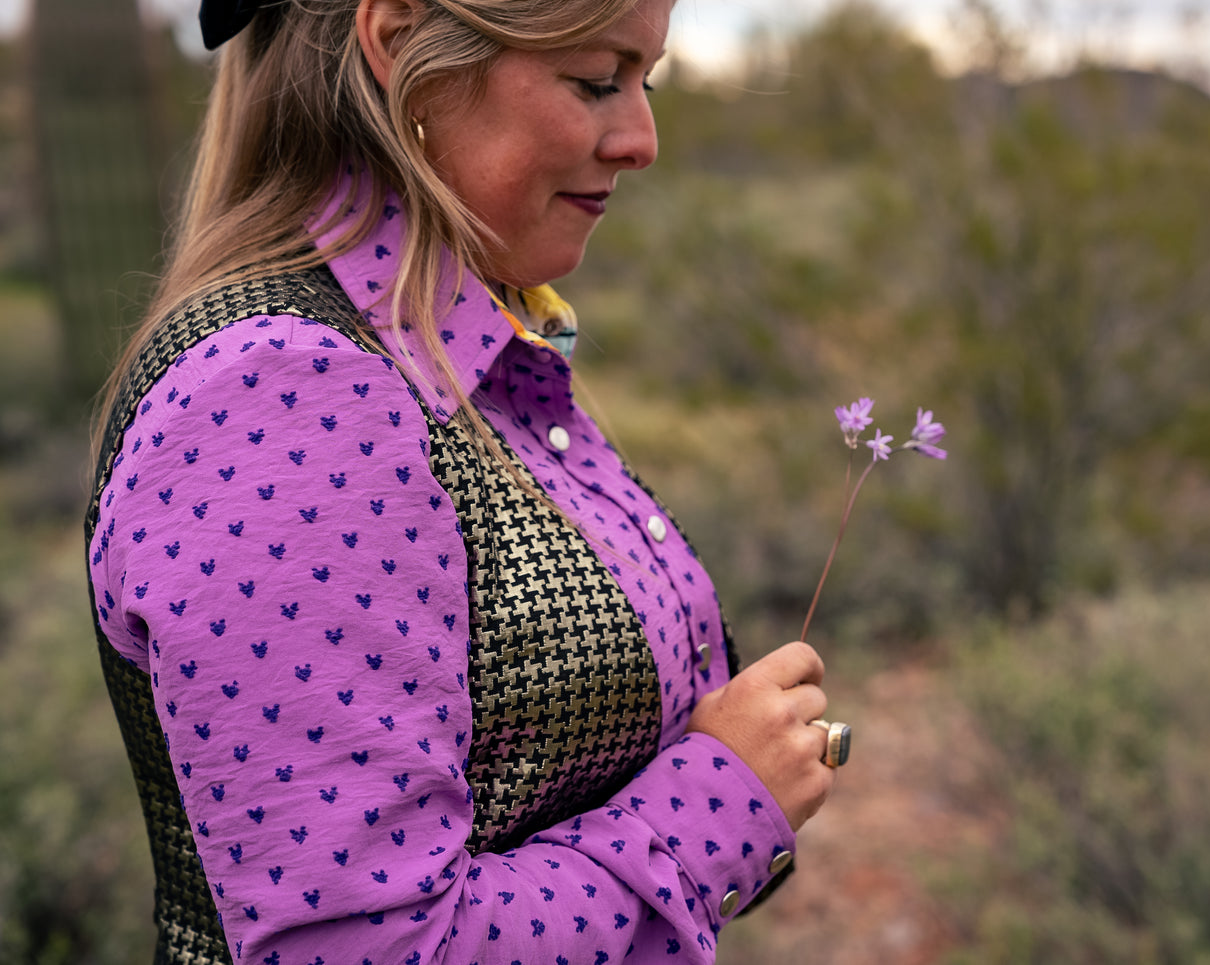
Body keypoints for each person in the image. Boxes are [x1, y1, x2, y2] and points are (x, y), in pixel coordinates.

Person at [83, 1, 849, 963]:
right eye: (595, 80)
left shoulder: (451, 348)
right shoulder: (288, 395)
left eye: (644, 80)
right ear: (400, 41)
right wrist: (721, 802)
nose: (643, 139)